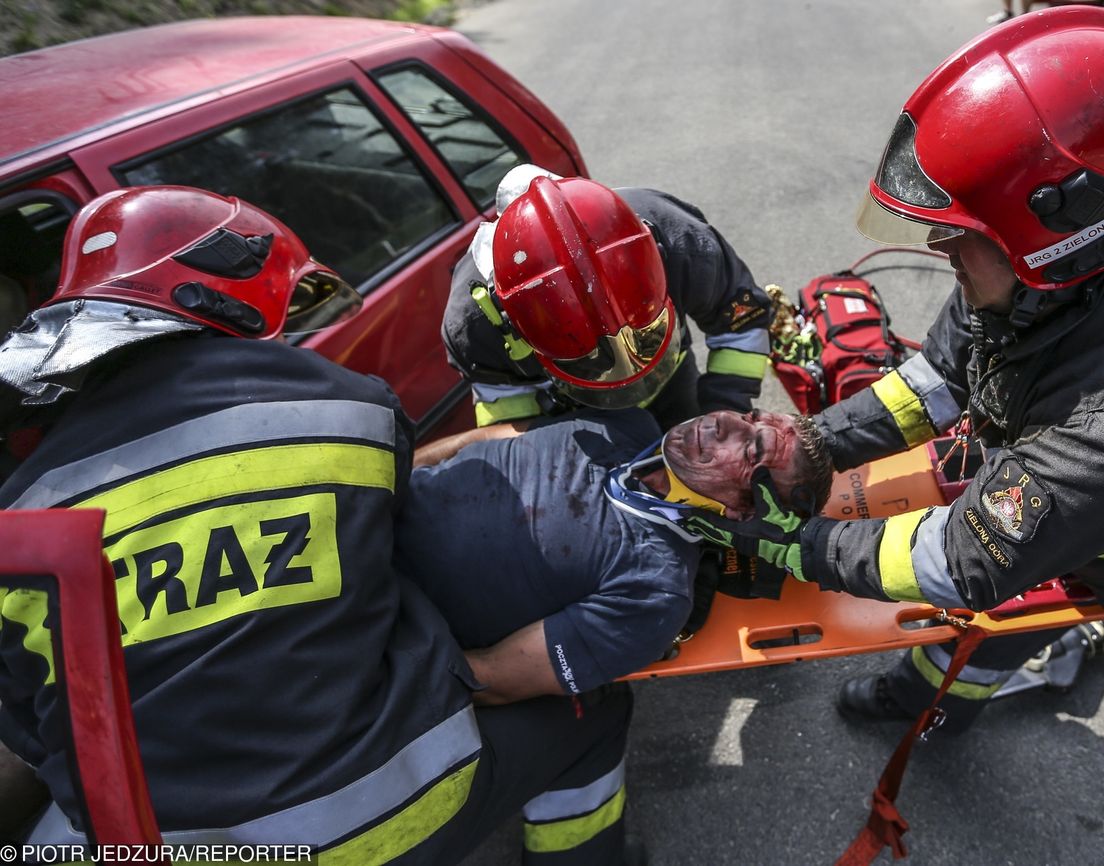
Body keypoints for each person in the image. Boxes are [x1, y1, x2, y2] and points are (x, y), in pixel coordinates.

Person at [687, 7, 1104, 852]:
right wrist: (821, 446)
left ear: (1061, 236)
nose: (940, 248)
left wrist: (794, 544)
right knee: (1025, 587)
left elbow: (960, 559)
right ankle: (932, 695)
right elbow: (940, 376)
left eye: (963, 239)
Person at [0, 186, 636, 864]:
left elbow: (31, 728)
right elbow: (419, 554)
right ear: (226, 293)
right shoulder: (347, 409)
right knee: (591, 716)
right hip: (366, 818)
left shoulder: (23, 508)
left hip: (141, 845)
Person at [396, 407, 833, 704]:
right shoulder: (620, 426)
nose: (723, 420)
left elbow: (488, 680)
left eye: (752, 447)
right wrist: (380, 483)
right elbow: (477, 440)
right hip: (349, 512)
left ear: (743, 512)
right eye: (747, 416)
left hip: (362, 608)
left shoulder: (654, 595)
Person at [426, 165, 771, 464]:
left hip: (675, 385)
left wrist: (723, 412)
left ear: (654, 259)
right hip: (573, 419)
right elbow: (510, 422)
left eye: (648, 337)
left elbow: (742, 326)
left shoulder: (680, 239)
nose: (630, 374)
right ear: (514, 320)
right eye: (589, 360)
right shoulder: (473, 324)